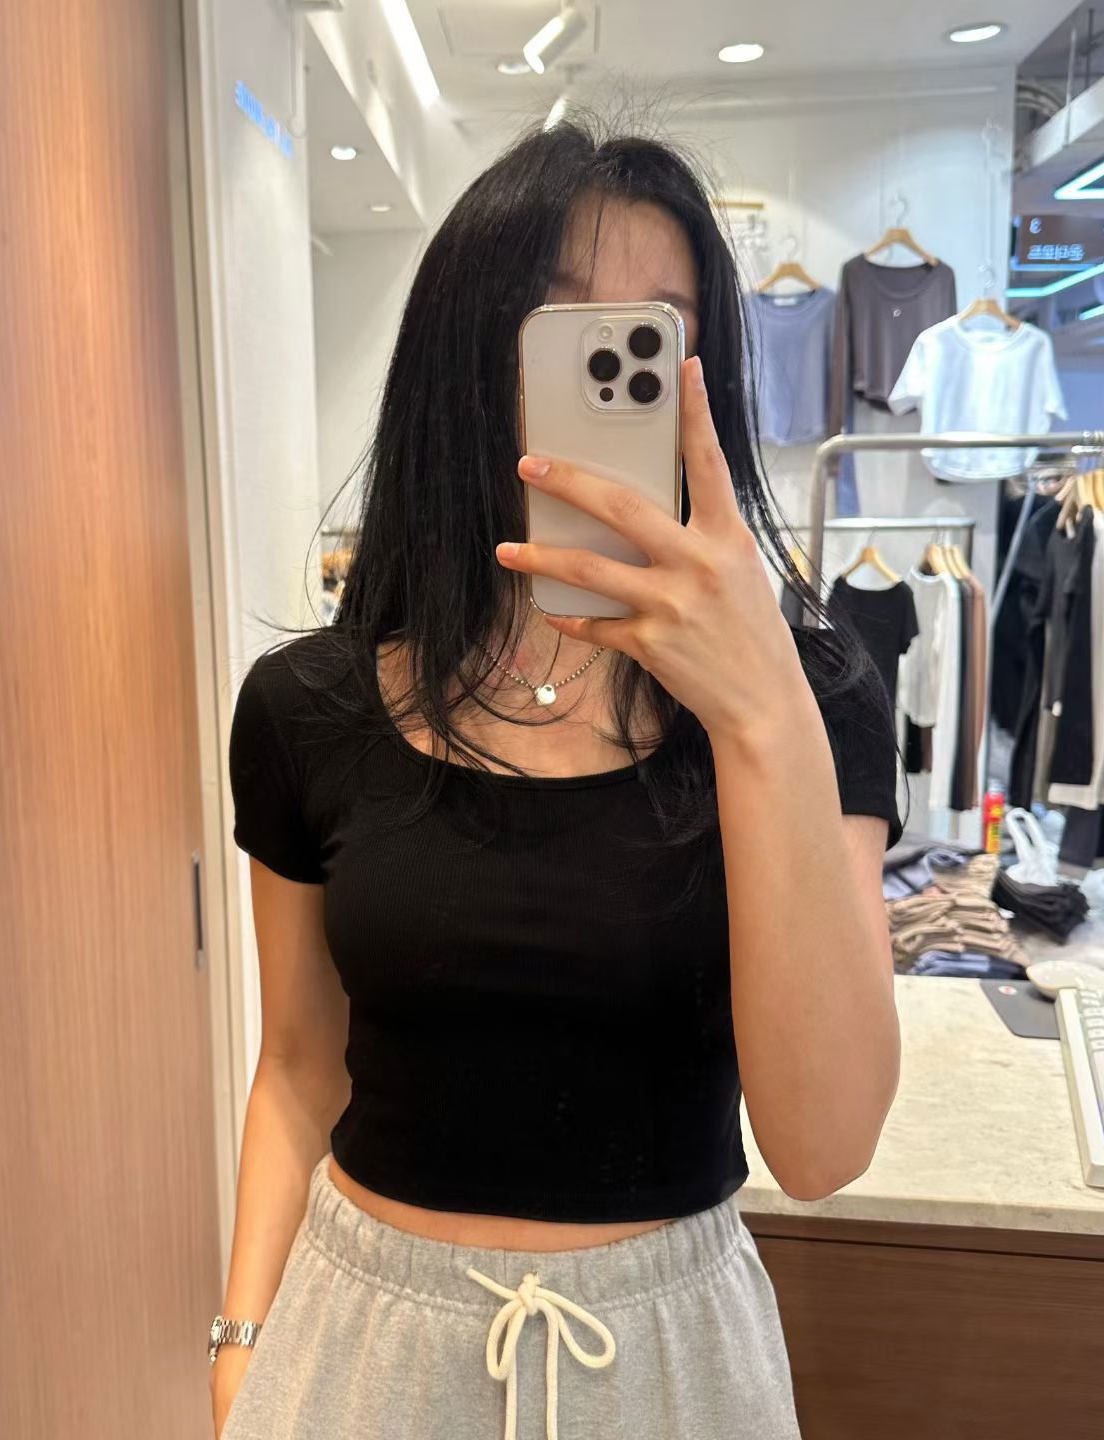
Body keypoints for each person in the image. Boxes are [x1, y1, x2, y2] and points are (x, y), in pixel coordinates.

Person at [214, 118, 901, 1440]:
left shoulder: (809, 698)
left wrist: (759, 708)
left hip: (674, 1365)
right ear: (467, 355)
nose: (611, 364)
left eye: (656, 331)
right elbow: (297, 1068)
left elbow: (823, 1148)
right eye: (560, 321)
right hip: (358, 1346)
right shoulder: (310, 708)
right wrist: (240, 1347)